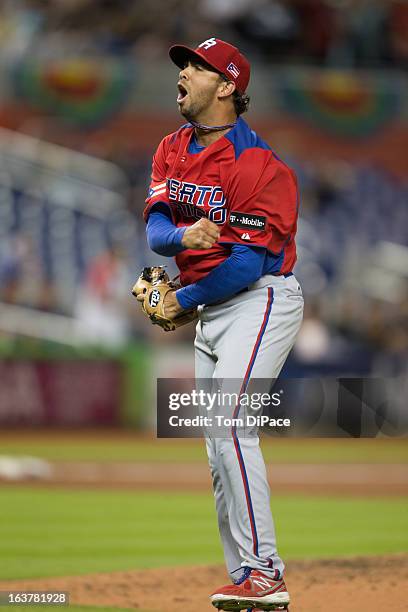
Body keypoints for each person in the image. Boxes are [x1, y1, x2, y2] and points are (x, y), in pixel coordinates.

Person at [143, 37, 303, 611]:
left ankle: (266, 571)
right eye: (183, 65)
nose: (183, 73)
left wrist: (182, 299)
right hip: (212, 305)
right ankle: (244, 577)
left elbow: (246, 263)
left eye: (196, 66)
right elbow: (156, 231)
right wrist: (183, 238)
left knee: (232, 423)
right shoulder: (171, 147)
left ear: (228, 86)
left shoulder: (261, 166)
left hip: (260, 299)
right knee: (216, 445)